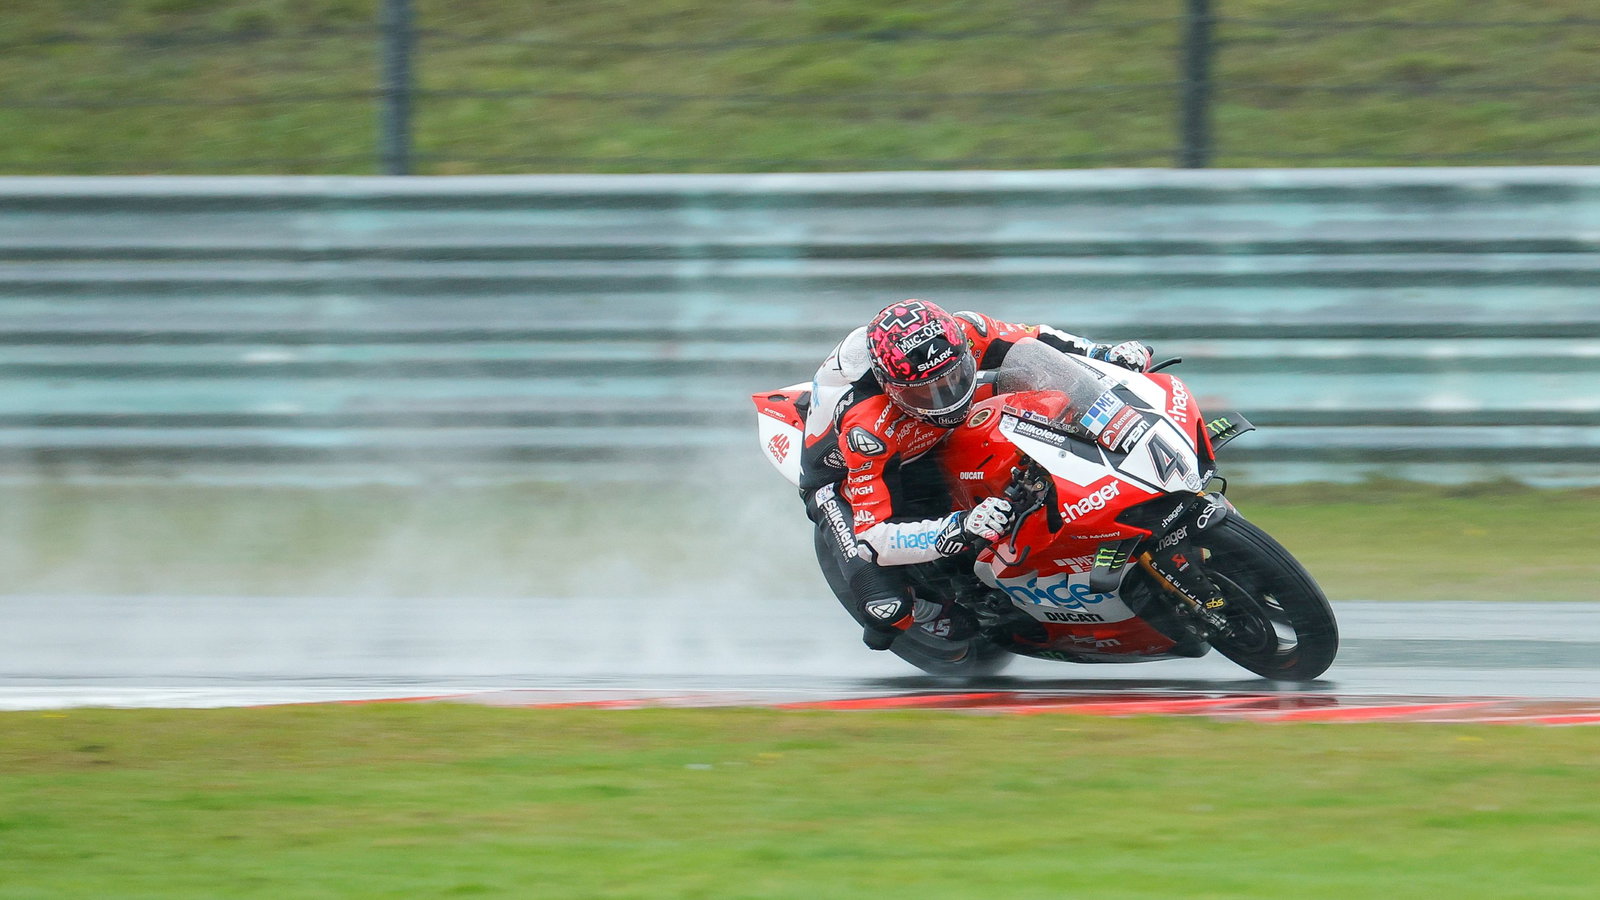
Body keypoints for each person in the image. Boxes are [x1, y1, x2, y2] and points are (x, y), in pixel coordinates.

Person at [798, 299, 1154, 650]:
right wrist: (961, 526)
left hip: (926, 428)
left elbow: (1036, 340)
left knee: (1038, 387)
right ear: (891, 389)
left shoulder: (965, 330)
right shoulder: (865, 428)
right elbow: (874, 538)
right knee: (886, 610)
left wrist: (1104, 354)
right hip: (843, 477)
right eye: (927, 392)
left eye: (955, 377)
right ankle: (924, 609)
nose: (948, 396)